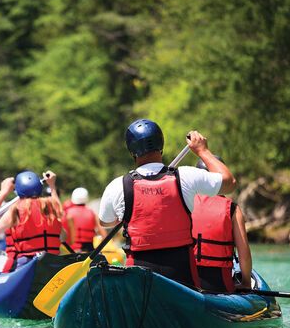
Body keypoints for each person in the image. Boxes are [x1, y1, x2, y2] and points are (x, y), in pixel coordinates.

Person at [98, 119, 237, 287]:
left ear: (132, 151)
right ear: (161, 144)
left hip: (138, 280)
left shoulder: (117, 186)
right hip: (182, 278)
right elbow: (229, 183)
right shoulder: (186, 176)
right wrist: (203, 151)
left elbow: (105, 222)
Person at [0, 170, 63, 272]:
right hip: (53, 261)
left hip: (26, 264)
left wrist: (4, 191)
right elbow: (63, 232)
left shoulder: (16, 210)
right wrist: (52, 185)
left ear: (18, 191)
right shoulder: (51, 206)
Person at [193, 159, 252, 292]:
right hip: (219, 284)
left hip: (186, 281)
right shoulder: (232, 209)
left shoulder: (184, 202)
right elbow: (244, 253)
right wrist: (246, 282)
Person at [64, 187, 107, 252]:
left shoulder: (68, 213)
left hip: (71, 250)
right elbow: (104, 235)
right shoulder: (92, 213)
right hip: (89, 251)